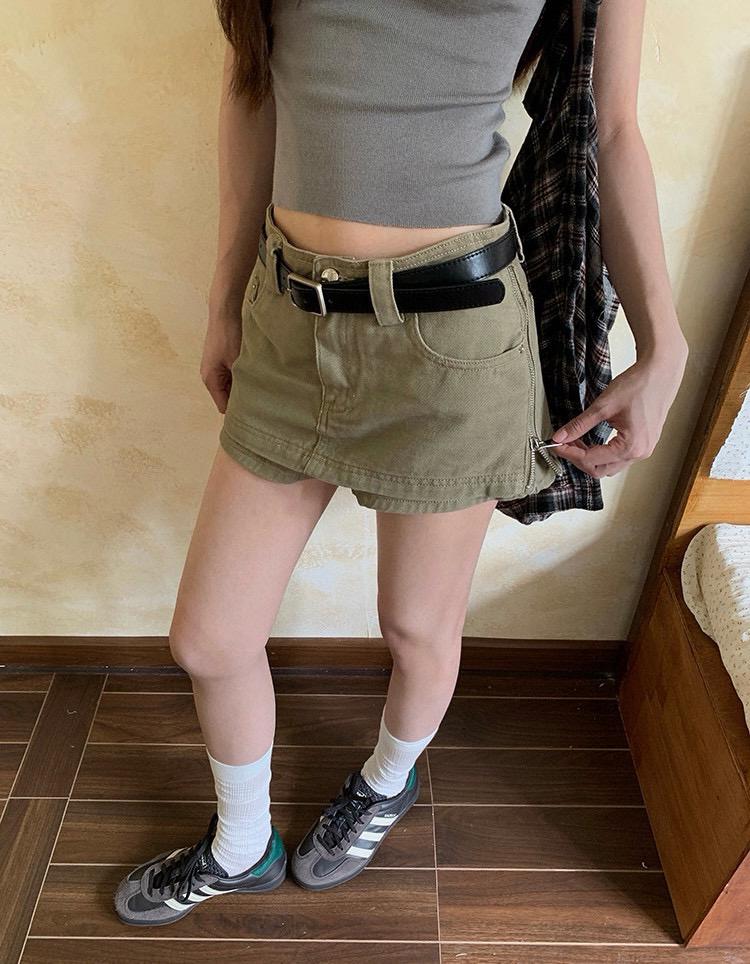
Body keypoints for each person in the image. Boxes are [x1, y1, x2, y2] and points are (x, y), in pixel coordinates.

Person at [115, 0, 688, 925]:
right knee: (210, 640)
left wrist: (665, 347)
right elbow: (252, 85)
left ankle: (387, 779)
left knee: (416, 628)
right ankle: (241, 845)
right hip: (291, 320)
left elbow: (611, 128)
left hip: (454, 338)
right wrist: (222, 299)